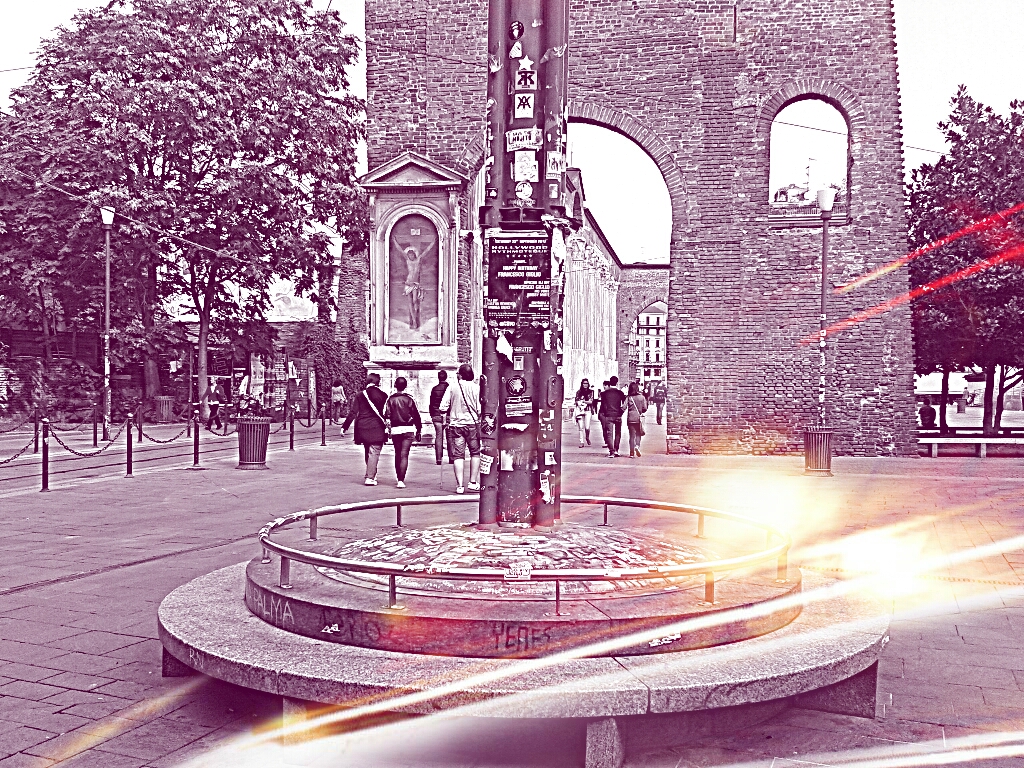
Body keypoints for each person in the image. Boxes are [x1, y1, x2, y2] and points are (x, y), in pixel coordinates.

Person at [439, 363, 481, 493]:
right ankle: (472, 482)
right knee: (475, 453)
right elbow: (480, 409)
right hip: (472, 424)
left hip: (456, 425)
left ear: (461, 375)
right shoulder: (477, 388)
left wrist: (446, 416)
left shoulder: (452, 387)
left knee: (458, 455)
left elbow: (443, 407)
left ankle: (460, 486)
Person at [341, 373, 389, 486]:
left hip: (362, 426)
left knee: (368, 450)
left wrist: (344, 427)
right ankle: (370, 477)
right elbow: (386, 413)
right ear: (378, 382)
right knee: (374, 451)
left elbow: (353, 412)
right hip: (377, 426)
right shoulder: (384, 395)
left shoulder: (360, 395)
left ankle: (371, 473)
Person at [384, 377, 421, 488]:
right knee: (404, 455)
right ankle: (401, 480)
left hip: (396, 429)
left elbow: (387, 416)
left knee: (397, 453)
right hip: (408, 429)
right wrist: (419, 430)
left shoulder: (391, 399)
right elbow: (416, 416)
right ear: (405, 386)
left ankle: (398, 478)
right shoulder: (409, 399)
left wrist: (388, 430)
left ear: (395, 385)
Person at [598, 375, 626, 457]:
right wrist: (621, 411)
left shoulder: (604, 393)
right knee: (618, 432)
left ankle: (612, 451)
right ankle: (616, 450)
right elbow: (624, 403)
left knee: (609, 433)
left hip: (608, 415)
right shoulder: (620, 393)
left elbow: (603, 405)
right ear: (617, 383)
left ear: (610, 383)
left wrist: (605, 413)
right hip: (618, 415)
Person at [428, 370, 449, 465]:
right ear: (446, 377)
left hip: (436, 415)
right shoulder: (450, 388)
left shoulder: (434, 389)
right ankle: (452, 457)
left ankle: (439, 459)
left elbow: (431, 403)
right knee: (450, 437)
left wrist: (432, 414)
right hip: (448, 415)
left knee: (439, 436)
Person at [625, 381, 648, 458]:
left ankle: (631, 453)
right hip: (638, 418)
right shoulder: (642, 397)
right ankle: (637, 446)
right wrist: (641, 410)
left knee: (632, 436)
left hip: (630, 418)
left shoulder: (628, 397)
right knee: (638, 433)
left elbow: (624, 407)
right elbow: (645, 408)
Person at [573, 379, 597, 448]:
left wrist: (583, 401)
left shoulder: (591, 392)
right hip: (580, 410)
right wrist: (581, 403)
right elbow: (576, 401)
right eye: (584, 383)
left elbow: (591, 401)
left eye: (586, 383)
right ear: (582, 384)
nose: (585, 385)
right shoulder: (578, 392)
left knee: (587, 427)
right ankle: (581, 442)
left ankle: (587, 437)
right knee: (580, 427)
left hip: (588, 410)